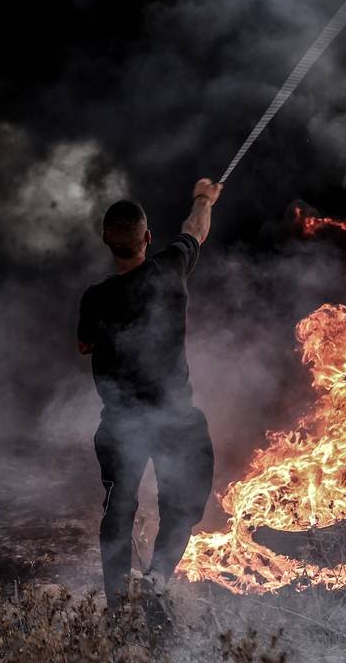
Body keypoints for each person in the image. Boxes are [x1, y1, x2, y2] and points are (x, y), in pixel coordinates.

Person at [76, 178, 222, 611]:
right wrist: (203, 197)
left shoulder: (96, 298)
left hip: (121, 423)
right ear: (148, 238)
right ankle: (158, 576)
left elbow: (84, 345)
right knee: (181, 504)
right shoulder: (170, 268)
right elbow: (195, 230)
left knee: (118, 511)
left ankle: (119, 601)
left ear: (106, 240)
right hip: (174, 418)